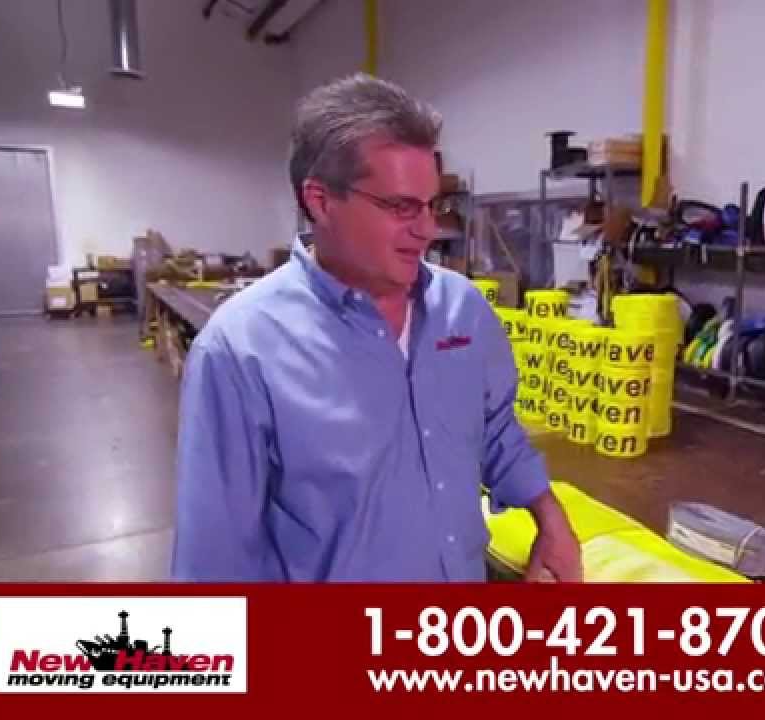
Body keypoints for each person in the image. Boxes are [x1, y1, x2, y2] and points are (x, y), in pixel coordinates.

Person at [170, 73, 581, 582]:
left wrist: (549, 516)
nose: (427, 229)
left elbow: (496, 429)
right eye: (401, 206)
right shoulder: (239, 350)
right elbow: (215, 559)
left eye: (432, 205)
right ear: (320, 200)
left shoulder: (463, 310)